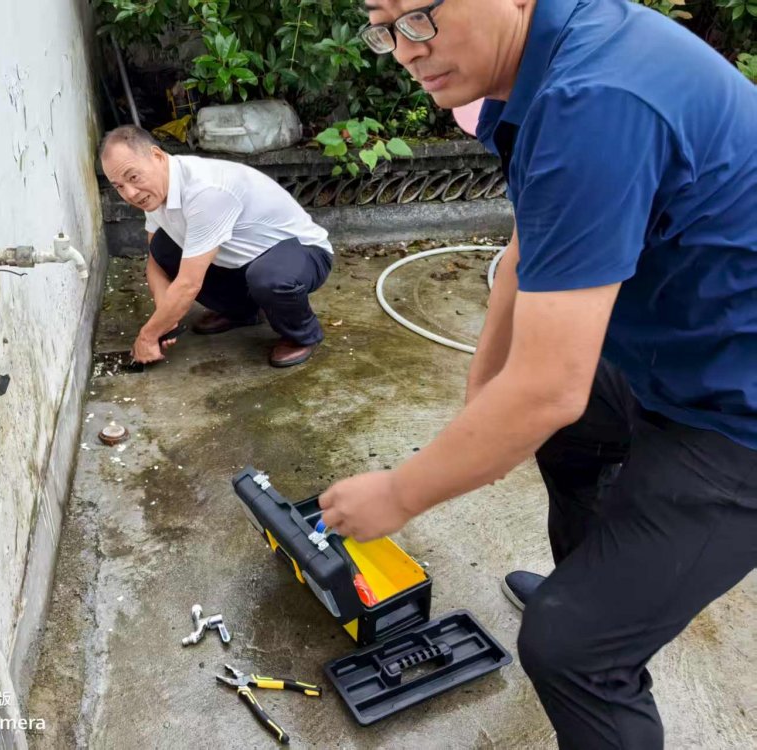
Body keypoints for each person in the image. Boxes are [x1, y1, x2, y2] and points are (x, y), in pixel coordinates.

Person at [320, 0, 757, 747]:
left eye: (419, 17)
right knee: (574, 429)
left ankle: (594, 628)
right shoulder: (550, 55)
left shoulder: (595, 99)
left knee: (570, 651)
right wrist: (485, 383)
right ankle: (589, 585)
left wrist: (397, 494)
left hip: (736, 405)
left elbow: (549, 386)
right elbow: (533, 237)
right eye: (384, 27)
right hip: (684, 341)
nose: (404, 51)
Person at [99, 126, 334, 367]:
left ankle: (303, 335)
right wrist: (165, 316)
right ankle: (243, 312)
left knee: (266, 277)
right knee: (163, 246)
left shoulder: (205, 190)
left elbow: (189, 284)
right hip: (246, 259)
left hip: (304, 252)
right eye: (118, 186)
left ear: (157, 156)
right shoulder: (155, 193)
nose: (130, 193)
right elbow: (155, 262)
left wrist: (148, 336)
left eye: (133, 177)